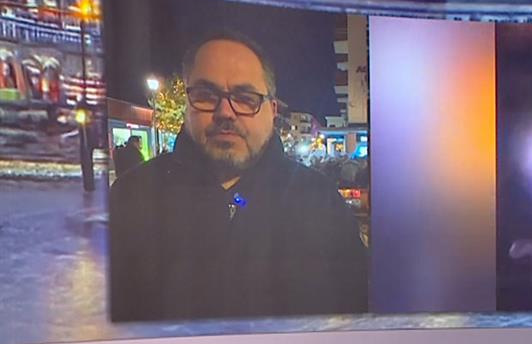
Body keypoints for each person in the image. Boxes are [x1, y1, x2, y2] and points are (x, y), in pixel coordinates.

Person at [108, 31, 368, 321]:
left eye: (245, 98)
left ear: (272, 111)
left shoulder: (320, 201)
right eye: (206, 95)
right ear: (187, 106)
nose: (225, 112)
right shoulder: (129, 198)